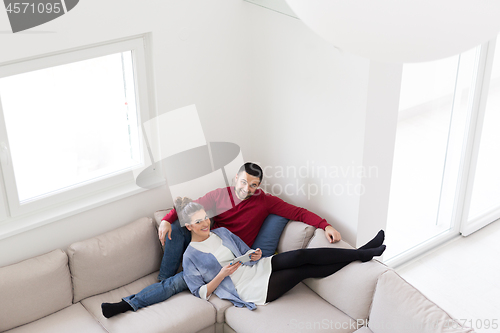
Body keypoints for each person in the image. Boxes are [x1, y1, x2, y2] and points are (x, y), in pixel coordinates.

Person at [101, 162, 342, 317]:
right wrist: (165, 219)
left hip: (232, 256)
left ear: (258, 187)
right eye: (243, 182)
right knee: (176, 241)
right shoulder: (220, 196)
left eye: (253, 185)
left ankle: (127, 303)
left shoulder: (264, 200)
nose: (246, 189)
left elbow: (297, 212)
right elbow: (191, 207)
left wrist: (326, 225)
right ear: (236, 177)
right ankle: (149, 287)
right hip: (211, 250)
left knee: (176, 284)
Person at [179, 198, 385, 309]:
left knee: (300, 256)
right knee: (302, 271)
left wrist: (255, 254)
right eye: (198, 222)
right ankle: (362, 254)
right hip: (249, 289)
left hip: (257, 267)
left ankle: (360, 252)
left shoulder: (221, 232)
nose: (205, 223)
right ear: (189, 226)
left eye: (205, 218)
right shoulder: (190, 256)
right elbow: (201, 293)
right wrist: (222, 275)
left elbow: (244, 251)